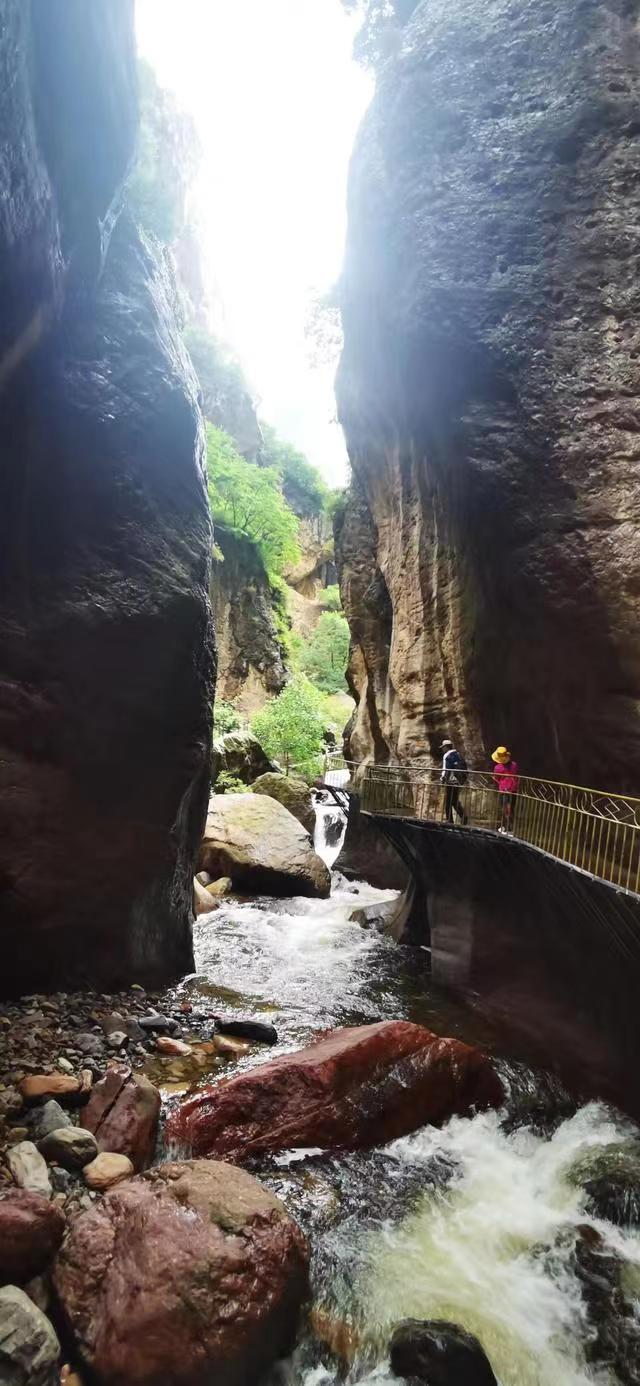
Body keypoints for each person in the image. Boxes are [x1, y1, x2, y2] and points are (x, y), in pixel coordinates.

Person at [491, 746, 520, 833]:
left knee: (504, 809)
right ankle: (507, 827)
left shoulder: (498, 768)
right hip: (513, 789)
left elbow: (497, 778)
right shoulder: (514, 765)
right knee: (511, 809)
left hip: (504, 790)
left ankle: (508, 828)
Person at [440, 738, 468, 825]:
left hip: (450, 781)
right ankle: (463, 816)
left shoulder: (447, 755)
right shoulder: (458, 754)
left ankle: (449, 820)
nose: (443, 749)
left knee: (448, 801)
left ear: (446, 747)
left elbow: (445, 769)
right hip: (458, 781)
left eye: (443, 748)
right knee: (454, 800)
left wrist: (442, 779)